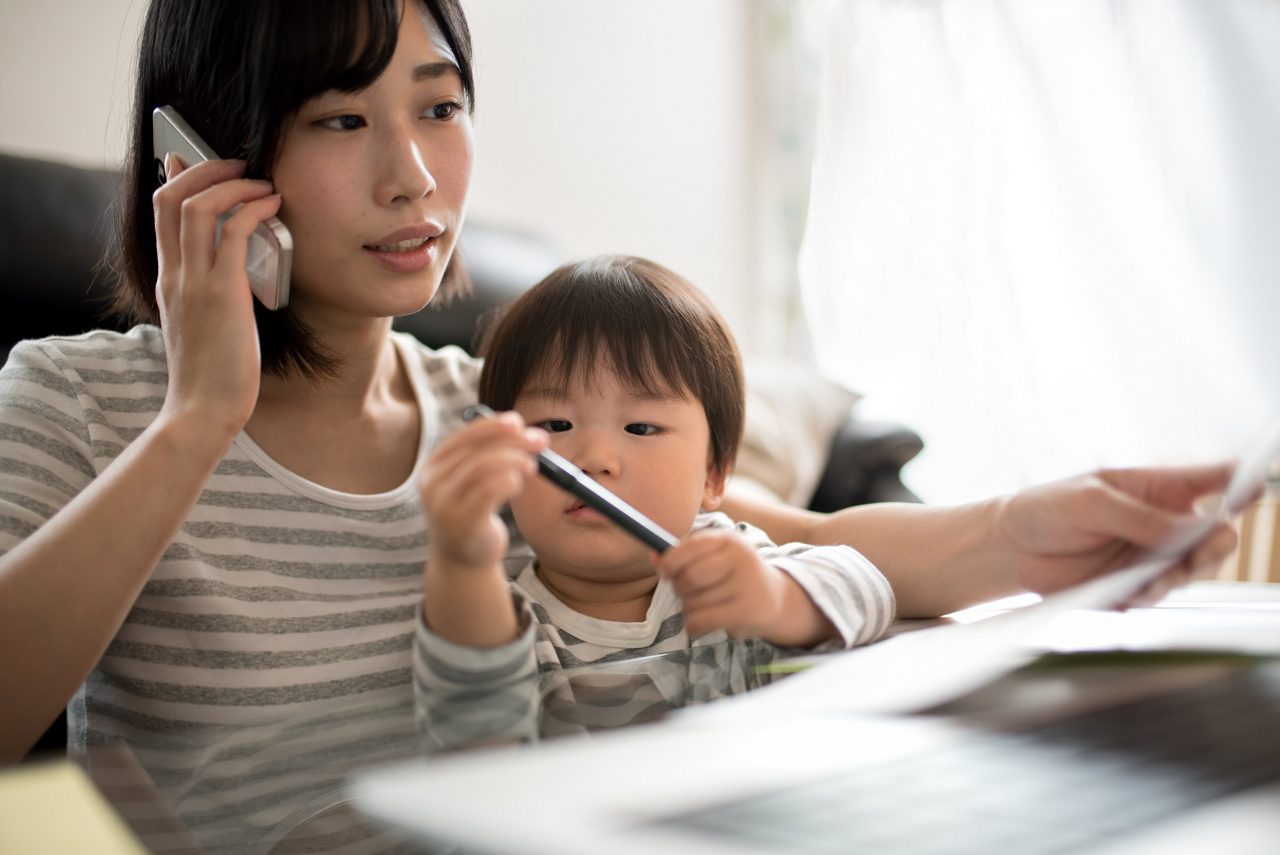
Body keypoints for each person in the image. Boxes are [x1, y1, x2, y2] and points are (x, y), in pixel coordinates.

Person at [0, 0, 1238, 764]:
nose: (414, 180)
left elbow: (794, 539)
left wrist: (1038, 528)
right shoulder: (75, 402)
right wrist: (199, 418)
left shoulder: (491, 413)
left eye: (438, 108)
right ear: (205, 156)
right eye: (338, 121)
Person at [417, 255, 895, 683]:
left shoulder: (726, 564)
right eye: (556, 424)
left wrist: (777, 600)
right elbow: (476, 737)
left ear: (713, 475)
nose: (594, 461)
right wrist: (463, 562)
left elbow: (867, 587)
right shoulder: (496, 614)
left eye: (641, 428)